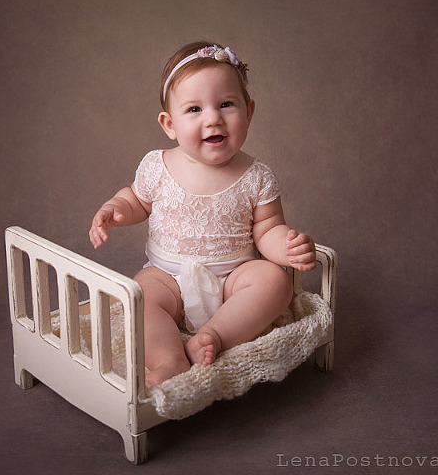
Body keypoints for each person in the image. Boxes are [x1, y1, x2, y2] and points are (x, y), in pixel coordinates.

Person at [89, 41, 316, 386]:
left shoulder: (257, 176)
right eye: (194, 109)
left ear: (249, 112)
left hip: (232, 279)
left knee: (274, 281)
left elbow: (268, 229)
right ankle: (169, 360)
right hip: (169, 276)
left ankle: (214, 335)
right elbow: (136, 200)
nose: (213, 118)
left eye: (226, 104)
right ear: (169, 124)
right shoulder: (156, 166)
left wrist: (287, 246)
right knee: (141, 295)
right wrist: (116, 209)